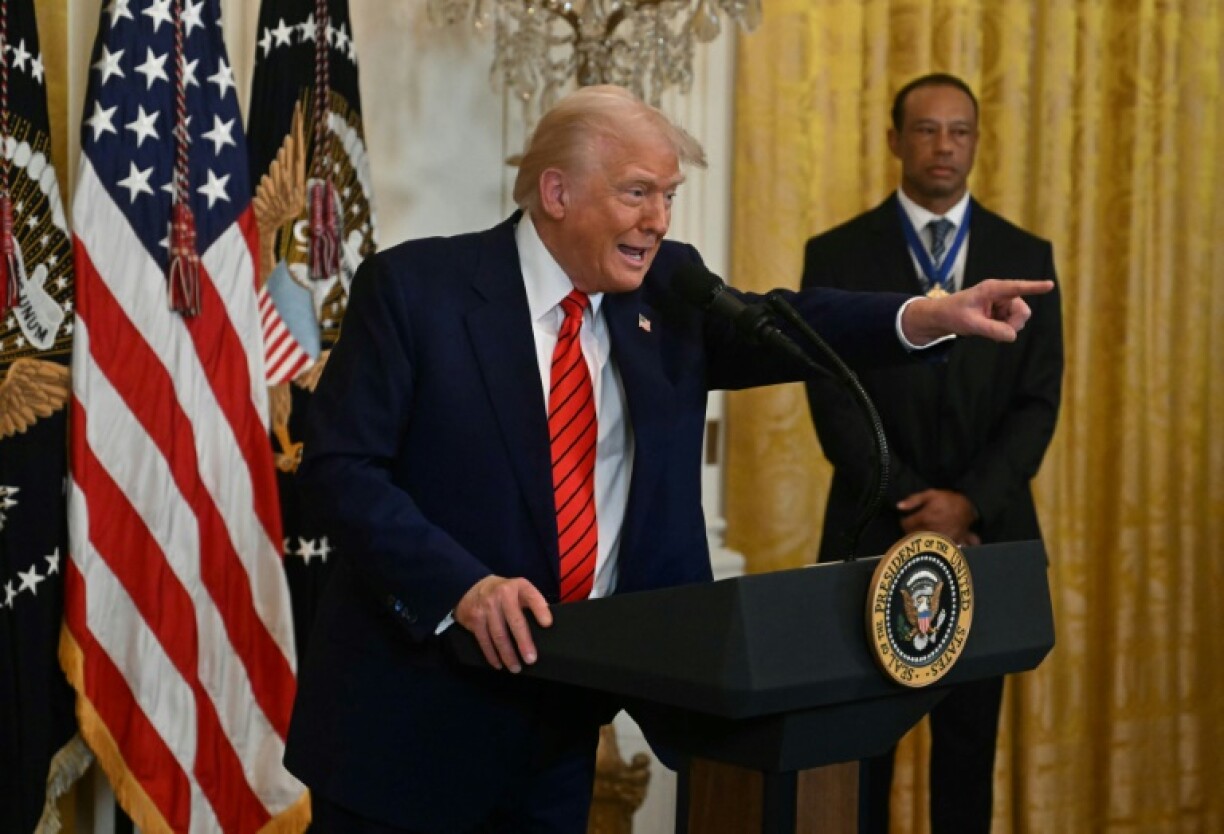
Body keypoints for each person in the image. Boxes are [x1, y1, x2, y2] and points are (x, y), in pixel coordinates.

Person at [284, 83, 1053, 833]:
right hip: (410, 727)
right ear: (556, 192)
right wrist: (464, 586)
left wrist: (926, 316)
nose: (657, 221)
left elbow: (789, 321)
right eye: (637, 193)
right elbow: (341, 471)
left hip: (561, 720)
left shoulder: (665, 294)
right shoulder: (420, 291)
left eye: (669, 197)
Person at [802, 73, 1064, 834]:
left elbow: (1037, 402)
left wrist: (967, 503)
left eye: (959, 131)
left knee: (967, 756)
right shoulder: (837, 255)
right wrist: (911, 502)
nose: (943, 146)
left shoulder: (1027, 254)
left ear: (977, 143)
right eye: (925, 130)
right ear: (894, 141)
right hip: (874, 533)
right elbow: (834, 401)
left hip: (989, 538)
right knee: (861, 757)